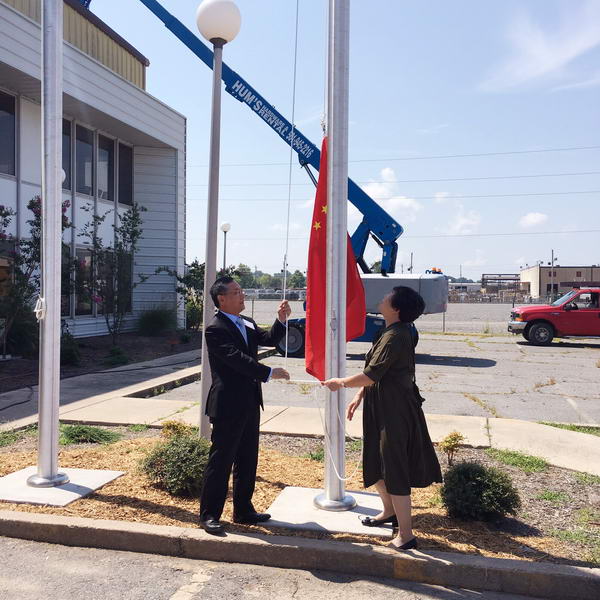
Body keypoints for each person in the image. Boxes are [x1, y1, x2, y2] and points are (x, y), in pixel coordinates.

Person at [323, 286, 442, 551]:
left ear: (396, 308)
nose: (382, 298)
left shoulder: (396, 336)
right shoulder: (391, 332)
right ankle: (389, 512)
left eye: (388, 297)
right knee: (377, 459)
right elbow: (378, 373)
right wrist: (360, 395)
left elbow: (372, 374)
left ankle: (406, 535)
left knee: (393, 465)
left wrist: (341, 383)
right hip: (382, 405)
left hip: (394, 410)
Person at [199, 276, 291, 535]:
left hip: (250, 402)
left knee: (247, 458)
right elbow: (236, 359)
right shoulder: (215, 329)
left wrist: (281, 320)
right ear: (222, 299)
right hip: (228, 405)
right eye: (237, 292)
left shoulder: (246, 321)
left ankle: (243, 510)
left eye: (241, 291)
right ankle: (209, 514)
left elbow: (269, 338)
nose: (242, 296)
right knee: (221, 461)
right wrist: (269, 372)